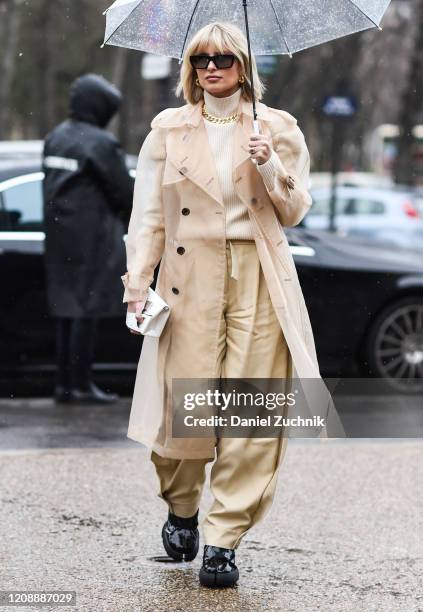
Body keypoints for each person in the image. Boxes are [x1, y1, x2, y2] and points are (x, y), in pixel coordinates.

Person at [123, 22, 316, 588]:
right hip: (189, 276)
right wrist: (138, 279)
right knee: (186, 405)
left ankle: (223, 538)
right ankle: (181, 505)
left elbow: (295, 208)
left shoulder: (277, 128)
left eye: (225, 58)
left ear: (243, 65)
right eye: (202, 58)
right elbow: (149, 215)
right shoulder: (168, 130)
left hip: (257, 273)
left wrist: (269, 165)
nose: (212, 67)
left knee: (250, 411)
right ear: (190, 67)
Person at [43, 73, 134, 404]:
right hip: (92, 238)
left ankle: (64, 384)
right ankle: (81, 385)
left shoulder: (55, 137)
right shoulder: (100, 143)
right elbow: (124, 192)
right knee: (86, 312)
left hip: (59, 238)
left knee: (67, 312)